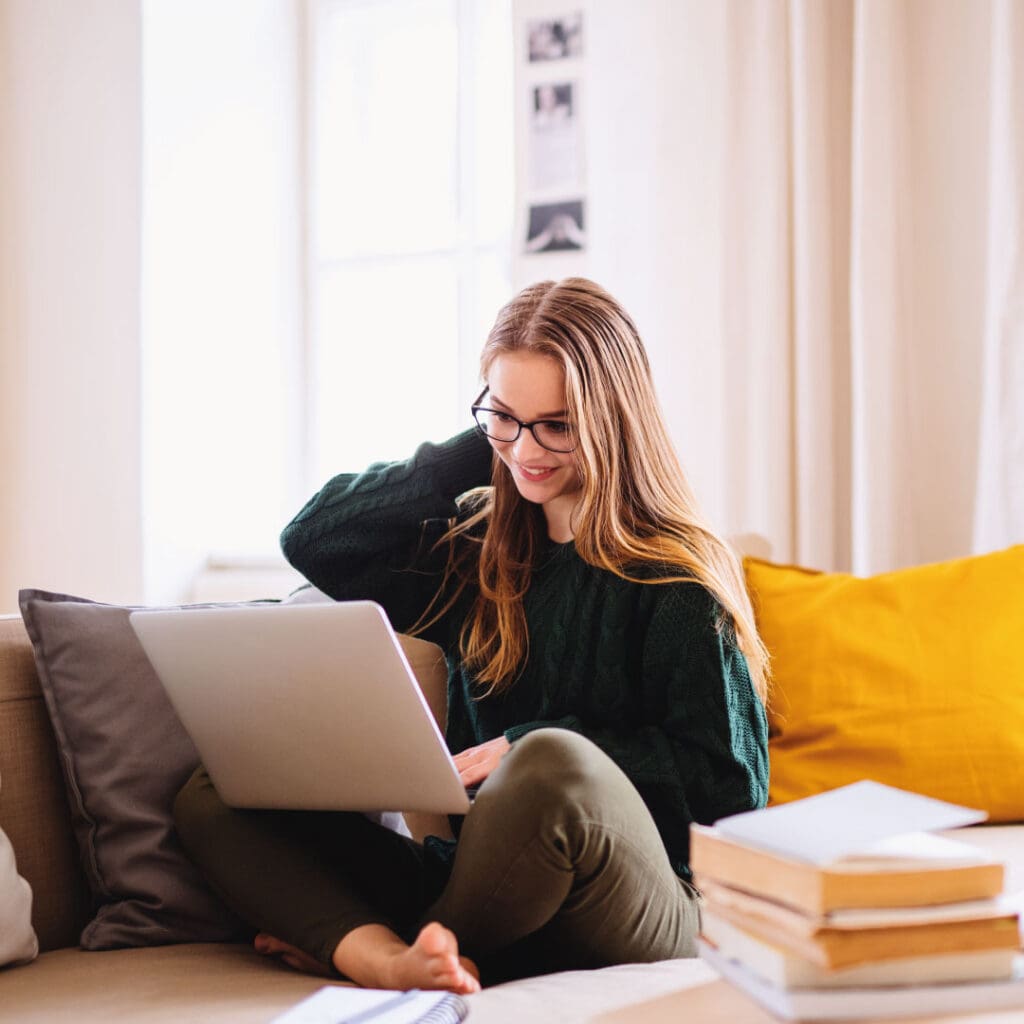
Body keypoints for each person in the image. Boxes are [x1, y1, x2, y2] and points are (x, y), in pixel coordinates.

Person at [173, 277, 770, 994]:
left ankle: (402, 946)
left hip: (648, 897)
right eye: (504, 417)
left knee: (551, 764)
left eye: (557, 424)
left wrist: (532, 747)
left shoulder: (677, 579)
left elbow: (733, 794)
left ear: (613, 419)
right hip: (486, 881)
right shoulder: (476, 557)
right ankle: (394, 958)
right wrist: (484, 443)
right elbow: (316, 538)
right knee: (217, 791)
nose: (528, 451)